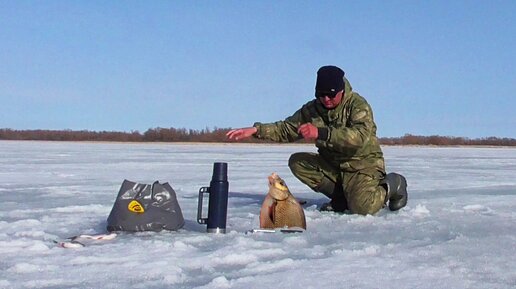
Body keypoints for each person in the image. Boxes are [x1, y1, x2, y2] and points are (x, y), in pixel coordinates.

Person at [226, 65, 407, 215]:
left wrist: (321, 133)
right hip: (333, 165)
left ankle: (394, 184)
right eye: (321, 95)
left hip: (362, 165)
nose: (326, 99)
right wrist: (256, 130)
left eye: (331, 95)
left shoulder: (358, 106)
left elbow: (359, 137)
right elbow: (287, 129)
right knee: (298, 162)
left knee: (362, 207)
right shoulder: (312, 109)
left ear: (341, 91)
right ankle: (341, 199)